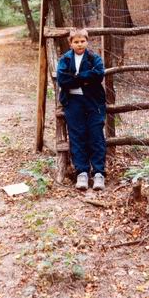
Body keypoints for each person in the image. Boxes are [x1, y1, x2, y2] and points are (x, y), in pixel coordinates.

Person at [57, 28, 106, 191]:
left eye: (82, 41)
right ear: (70, 43)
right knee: (77, 135)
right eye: (76, 42)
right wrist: (85, 79)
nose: (79, 44)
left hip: (93, 101)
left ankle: (98, 173)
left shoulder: (93, 58)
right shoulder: (65, 59)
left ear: (87, 41)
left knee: (96, 134)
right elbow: (63, 80)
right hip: (73, 102)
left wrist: (76, 78)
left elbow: (98, 74)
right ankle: (82, 172)